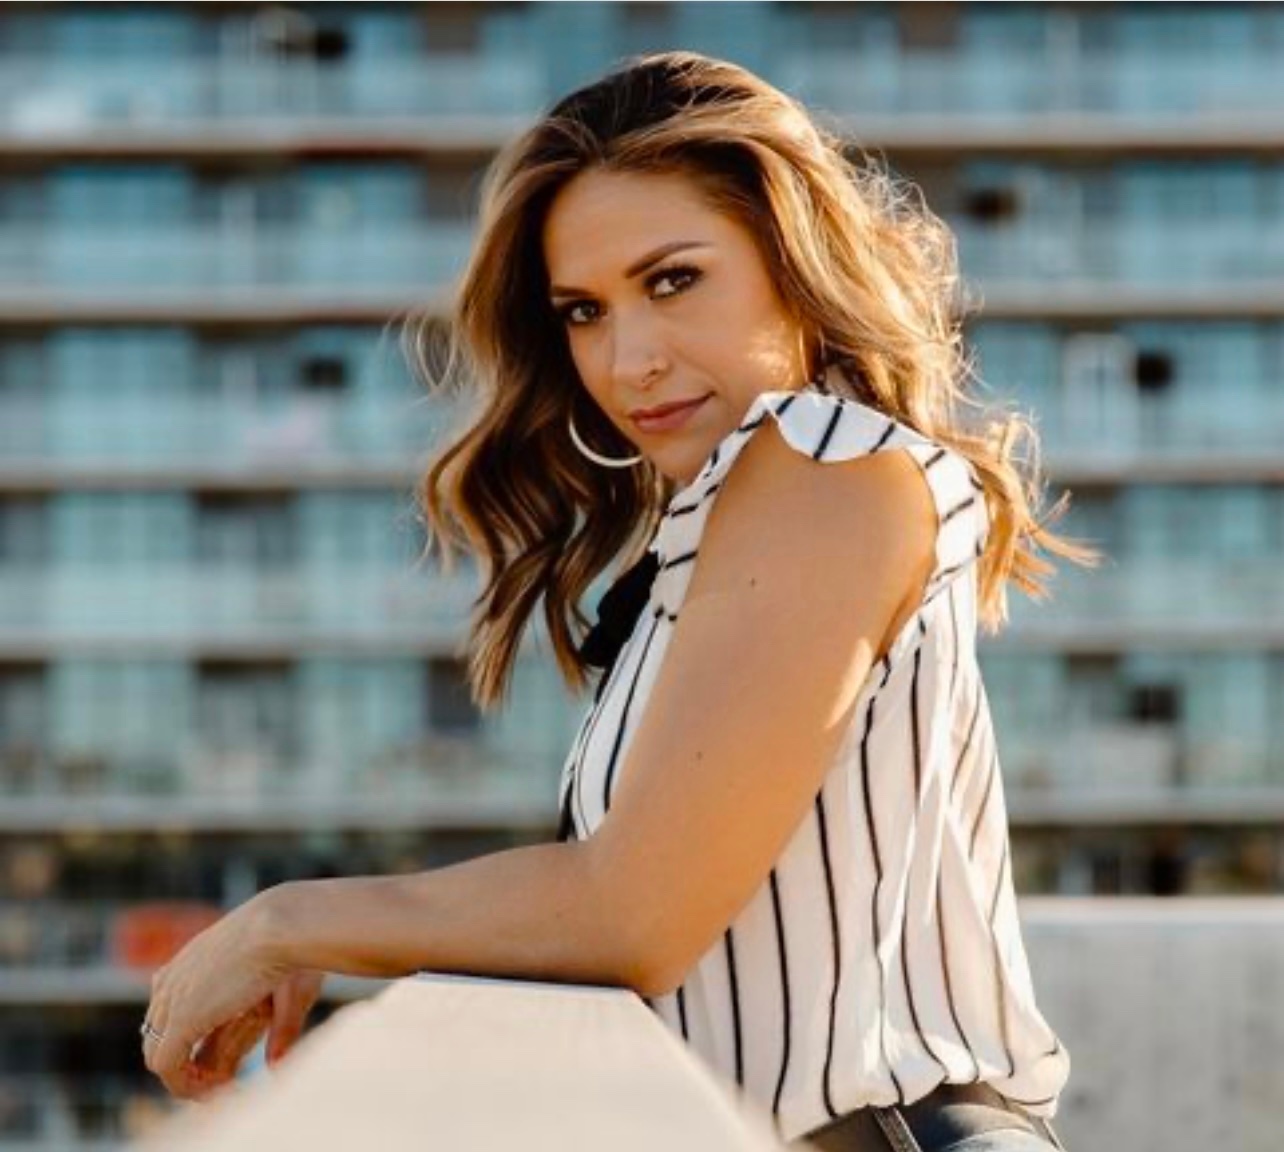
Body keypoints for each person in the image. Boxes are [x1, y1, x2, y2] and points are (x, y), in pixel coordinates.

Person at [140, 51, 1098, 1151]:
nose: (629, 358)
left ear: (791, 260)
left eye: (674, 280)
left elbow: (633, 914)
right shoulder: (727, 515)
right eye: (584, 311)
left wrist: (288, 921)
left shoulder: (823, 465)